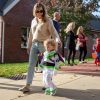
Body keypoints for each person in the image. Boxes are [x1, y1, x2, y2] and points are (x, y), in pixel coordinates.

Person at [19, 3, 61, 93]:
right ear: (35, 11)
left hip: (45, 45)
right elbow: (31, 34)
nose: (39, 13)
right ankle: (27, 85)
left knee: (47, 66)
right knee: (31, 65)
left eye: (41, 11)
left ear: (43, 11)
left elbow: (53, 32)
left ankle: (47, 85)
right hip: (34, 44)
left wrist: (58, 39)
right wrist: (28, 46)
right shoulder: (33, 20)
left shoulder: (48, 20)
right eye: (37, 11)